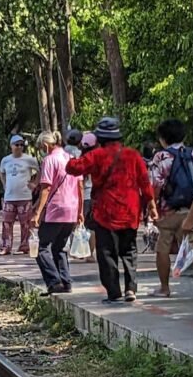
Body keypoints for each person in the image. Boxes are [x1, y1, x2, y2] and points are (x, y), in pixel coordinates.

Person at [67, 116, 157, 303]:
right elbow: (145, 183)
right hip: (130, 211)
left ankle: (114, 292)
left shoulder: (96, 155)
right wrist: (152, 206)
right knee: (129, 251)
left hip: (105, 212)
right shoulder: (133, 155)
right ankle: (131, 289)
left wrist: (80, 150)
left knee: (107, 253)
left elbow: (72, 168)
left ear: (100, 137)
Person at [148, 119, 193, 297]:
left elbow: (155, 186)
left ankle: (164, 288)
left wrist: (152, 208)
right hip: (192, 210)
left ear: (163, 138)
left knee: (163, 247)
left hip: (168, 211)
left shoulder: (161, 157)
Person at [29, 130, 83, 294]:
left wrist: (37, 212)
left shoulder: (49, 160)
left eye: (40, 147)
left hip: (56, 209)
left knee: (41, 247)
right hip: (72, 210)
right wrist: (80, 211)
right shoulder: (70, 159)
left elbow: (46, 188)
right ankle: (66, 282)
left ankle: (54, 281)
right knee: (59, 247)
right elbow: (80, 186)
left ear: (46, 145)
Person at [0, 134, 39, 254]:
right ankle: (6, 246)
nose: (20, 147)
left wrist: (35, 184)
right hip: (9, 197)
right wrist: (5, 185)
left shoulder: (29, 159)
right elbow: (2, 173)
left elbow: (40, 170)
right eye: (17, 145)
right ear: (11, 146)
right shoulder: (6, 160)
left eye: (22, 145)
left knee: (25, 223)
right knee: (7, 222)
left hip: (25, 196)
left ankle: (25, 246)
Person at [79, 132, 98, 263]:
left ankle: (82, 252)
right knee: (93, 227)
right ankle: (90, 253)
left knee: (83, 226)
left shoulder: (82, 160)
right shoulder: (100, 158)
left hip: (85, 196)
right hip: (97, 196)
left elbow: (80, 182)